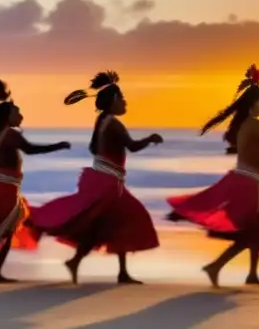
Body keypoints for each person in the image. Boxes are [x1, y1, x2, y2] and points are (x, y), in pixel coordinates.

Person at [167, 65, 259, 287]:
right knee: (255, 229)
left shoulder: (247, 125)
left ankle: (250, 274)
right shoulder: (253, 124)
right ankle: (217, 266)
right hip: (246, 183)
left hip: (250, 182)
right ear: (254, 104)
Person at [27, 71, 162, 285]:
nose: (125, 102)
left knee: (108, 224)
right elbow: (133, 147)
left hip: (104, 179)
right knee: (128, 218)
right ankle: (119, 272)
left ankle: (95, 266)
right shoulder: (113, 123)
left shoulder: (102, 122)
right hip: (107, 183)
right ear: (114, 101)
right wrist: (151, 138)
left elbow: (93, 148)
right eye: (122, 98)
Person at [0, 80, 71, 282]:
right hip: (4, 189)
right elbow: (30, 149)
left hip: (4, 186)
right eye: (17, 112)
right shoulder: (10, 134)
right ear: (8, 116)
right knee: (5, 228)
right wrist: (58, 145)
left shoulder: (2, 132)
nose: (21, 116)